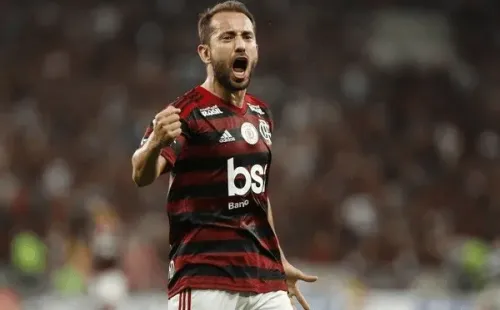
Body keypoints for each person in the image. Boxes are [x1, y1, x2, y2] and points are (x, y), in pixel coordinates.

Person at [131, 1, 317, 309]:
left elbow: (257, 197)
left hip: (264, 279)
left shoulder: (261, 113)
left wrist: (279, 259)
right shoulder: (185, 113)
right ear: (205, 52)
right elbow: (140, 174)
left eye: (246, 36)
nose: (240, 44)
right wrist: (154, 144)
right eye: (227, 37)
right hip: (205, 279)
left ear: (256, 48)